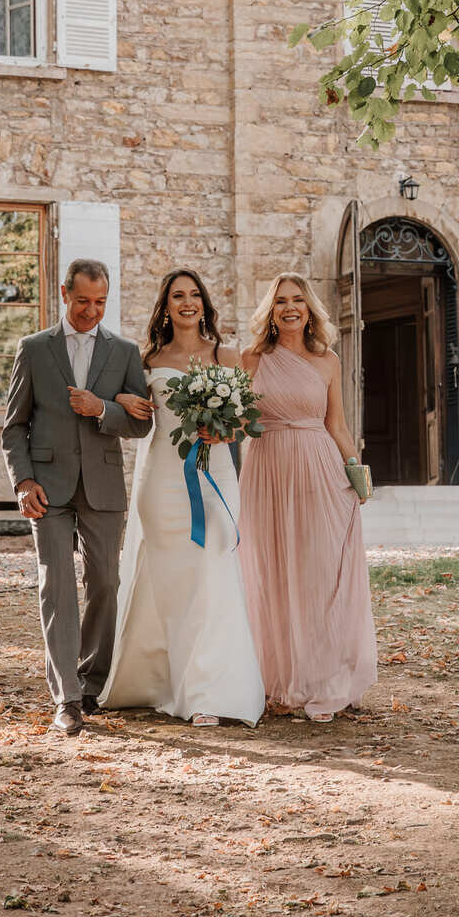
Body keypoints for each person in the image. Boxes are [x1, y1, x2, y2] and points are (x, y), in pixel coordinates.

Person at [98, 269, 264, 728]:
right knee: (170, 583)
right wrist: (122, 401)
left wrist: (226, 430)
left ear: (204, 304)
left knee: (214, 572)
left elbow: (249, 418)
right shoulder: (147, 359)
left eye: (194, 295)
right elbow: (134, 416)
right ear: (166, 306)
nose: (187, 302)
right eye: (177, 296)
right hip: (162, 481)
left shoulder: (227, 355)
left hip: (217, 476)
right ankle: (165, 682)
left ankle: (210, 691)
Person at [1, 258, 152, 737]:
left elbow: (142, 423)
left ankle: (92, 680)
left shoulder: (124, 352)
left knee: (106, 581)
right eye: (83, 300)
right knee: (58, 584)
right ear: (65, 294)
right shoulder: (34, 349)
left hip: (103, 486)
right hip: (47, 487)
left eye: (100, 302)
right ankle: (66, 697)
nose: (91, 310)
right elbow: (13, 427)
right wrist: (23, 482)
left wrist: (102, 408)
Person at [239, 272, 377, 722]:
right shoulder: (252, 358)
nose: (290, 308)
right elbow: (239, 423)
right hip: (267, 470)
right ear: (270, 311)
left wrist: (357, 475)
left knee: (317, 574)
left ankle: (322, 680)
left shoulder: (327, 361)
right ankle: (280, 681)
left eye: (297, 300)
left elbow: (337, 424)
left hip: (319, 469)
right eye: (280, 301)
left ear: (309, 308)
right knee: (273, 573)